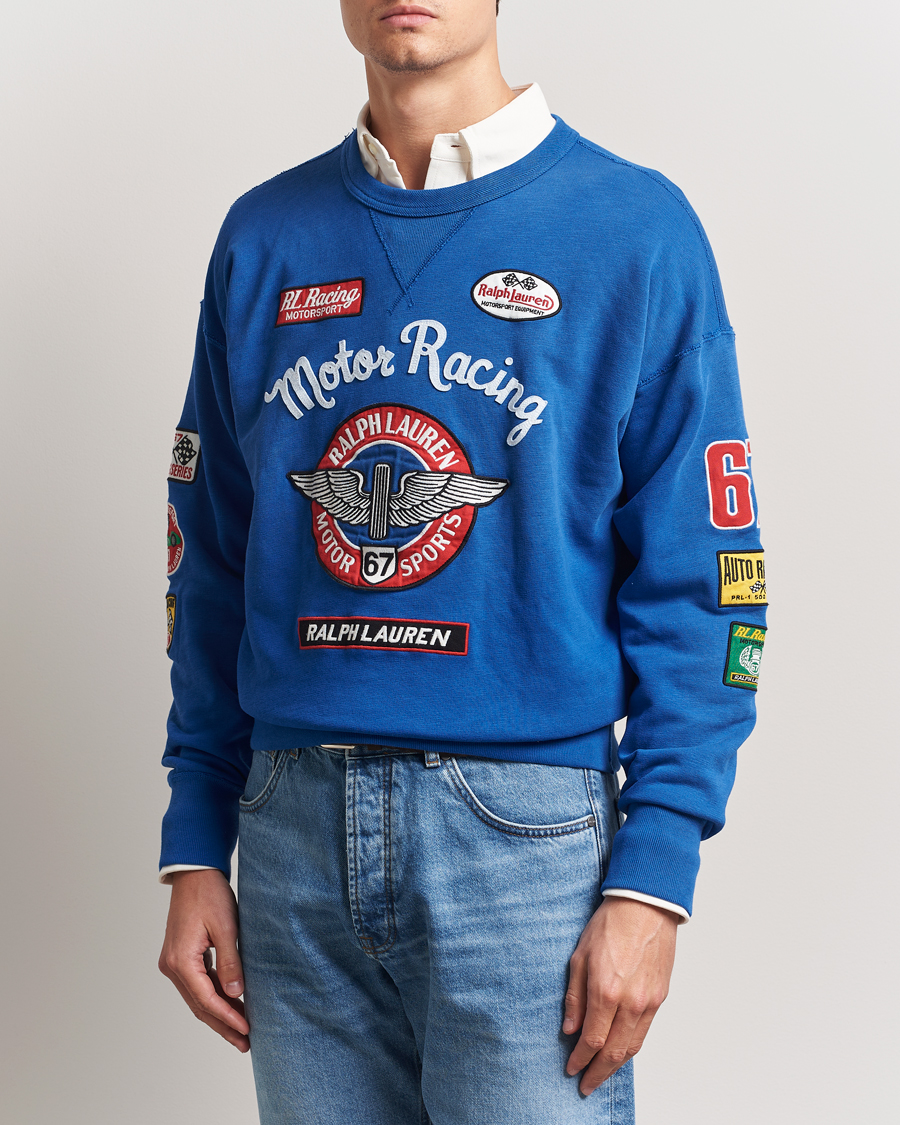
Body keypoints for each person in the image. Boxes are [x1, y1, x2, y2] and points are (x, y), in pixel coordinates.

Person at [157, 2, 767, 1122]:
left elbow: (706, 577)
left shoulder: (636, 230)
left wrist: (656, 873)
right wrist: (196, 838)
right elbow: (210, 562)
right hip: (290, 828)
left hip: (526, 843)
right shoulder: (263, 237)